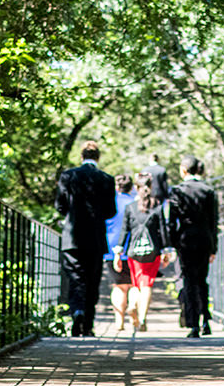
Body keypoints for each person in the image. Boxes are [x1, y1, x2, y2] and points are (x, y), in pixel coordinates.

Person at [55, 140, 116, 336]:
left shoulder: (68, 176)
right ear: (98, 157)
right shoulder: (106, 179)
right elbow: (110, 211)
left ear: (81, 157)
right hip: (96, 238)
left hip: (72, 238)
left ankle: (76, 311)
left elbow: (60, 206)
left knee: (75, 277)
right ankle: (88, 324)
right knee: (92, 280)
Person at [166, 155, 218, 338]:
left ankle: (193, 323)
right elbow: (214, 221)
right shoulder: (208, 191)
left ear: (184, 170)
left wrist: (172, 243)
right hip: (204, 239)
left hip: (185, 240)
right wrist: (214, 248)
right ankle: (206, 321)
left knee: (188, 280)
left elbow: (171, 220)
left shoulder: (178, 191)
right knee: (202, 280)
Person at [112, 173, 171, 332]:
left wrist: (118, 252)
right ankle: (143, 318)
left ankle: (132, 306)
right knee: (147, 285)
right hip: (152, 252)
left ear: (136, 188)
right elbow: (163, 230)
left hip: (133, 252)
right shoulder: (157, 206)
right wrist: (166, 250)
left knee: (136, 284)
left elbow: (125, 231)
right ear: (150, 187)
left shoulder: (130, 208)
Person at [105, 174, 138, 331]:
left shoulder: (110, 203)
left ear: (116, 187)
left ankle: (119, 322)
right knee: (133, 285)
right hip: (133, 249)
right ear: (131, 187)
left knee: (119, 286)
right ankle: (132, 306)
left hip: (111, 248)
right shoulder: (136, 203)